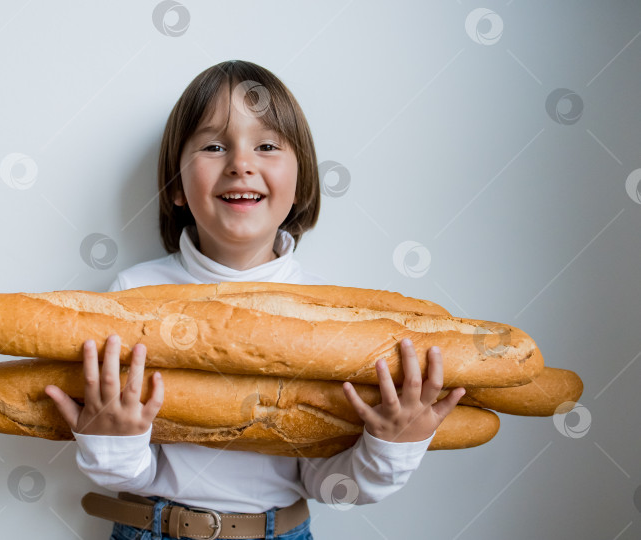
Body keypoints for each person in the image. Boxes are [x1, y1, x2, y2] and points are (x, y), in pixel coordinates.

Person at [44, 59, 466, 540]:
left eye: (266, 146)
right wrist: (112, 443)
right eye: (213, 146)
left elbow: (324, 483)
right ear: (176, 186)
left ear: (301, 182)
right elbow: (133, 477)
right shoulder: (131, 298)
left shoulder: (330, 314)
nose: (240, 163)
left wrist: (391, 447)